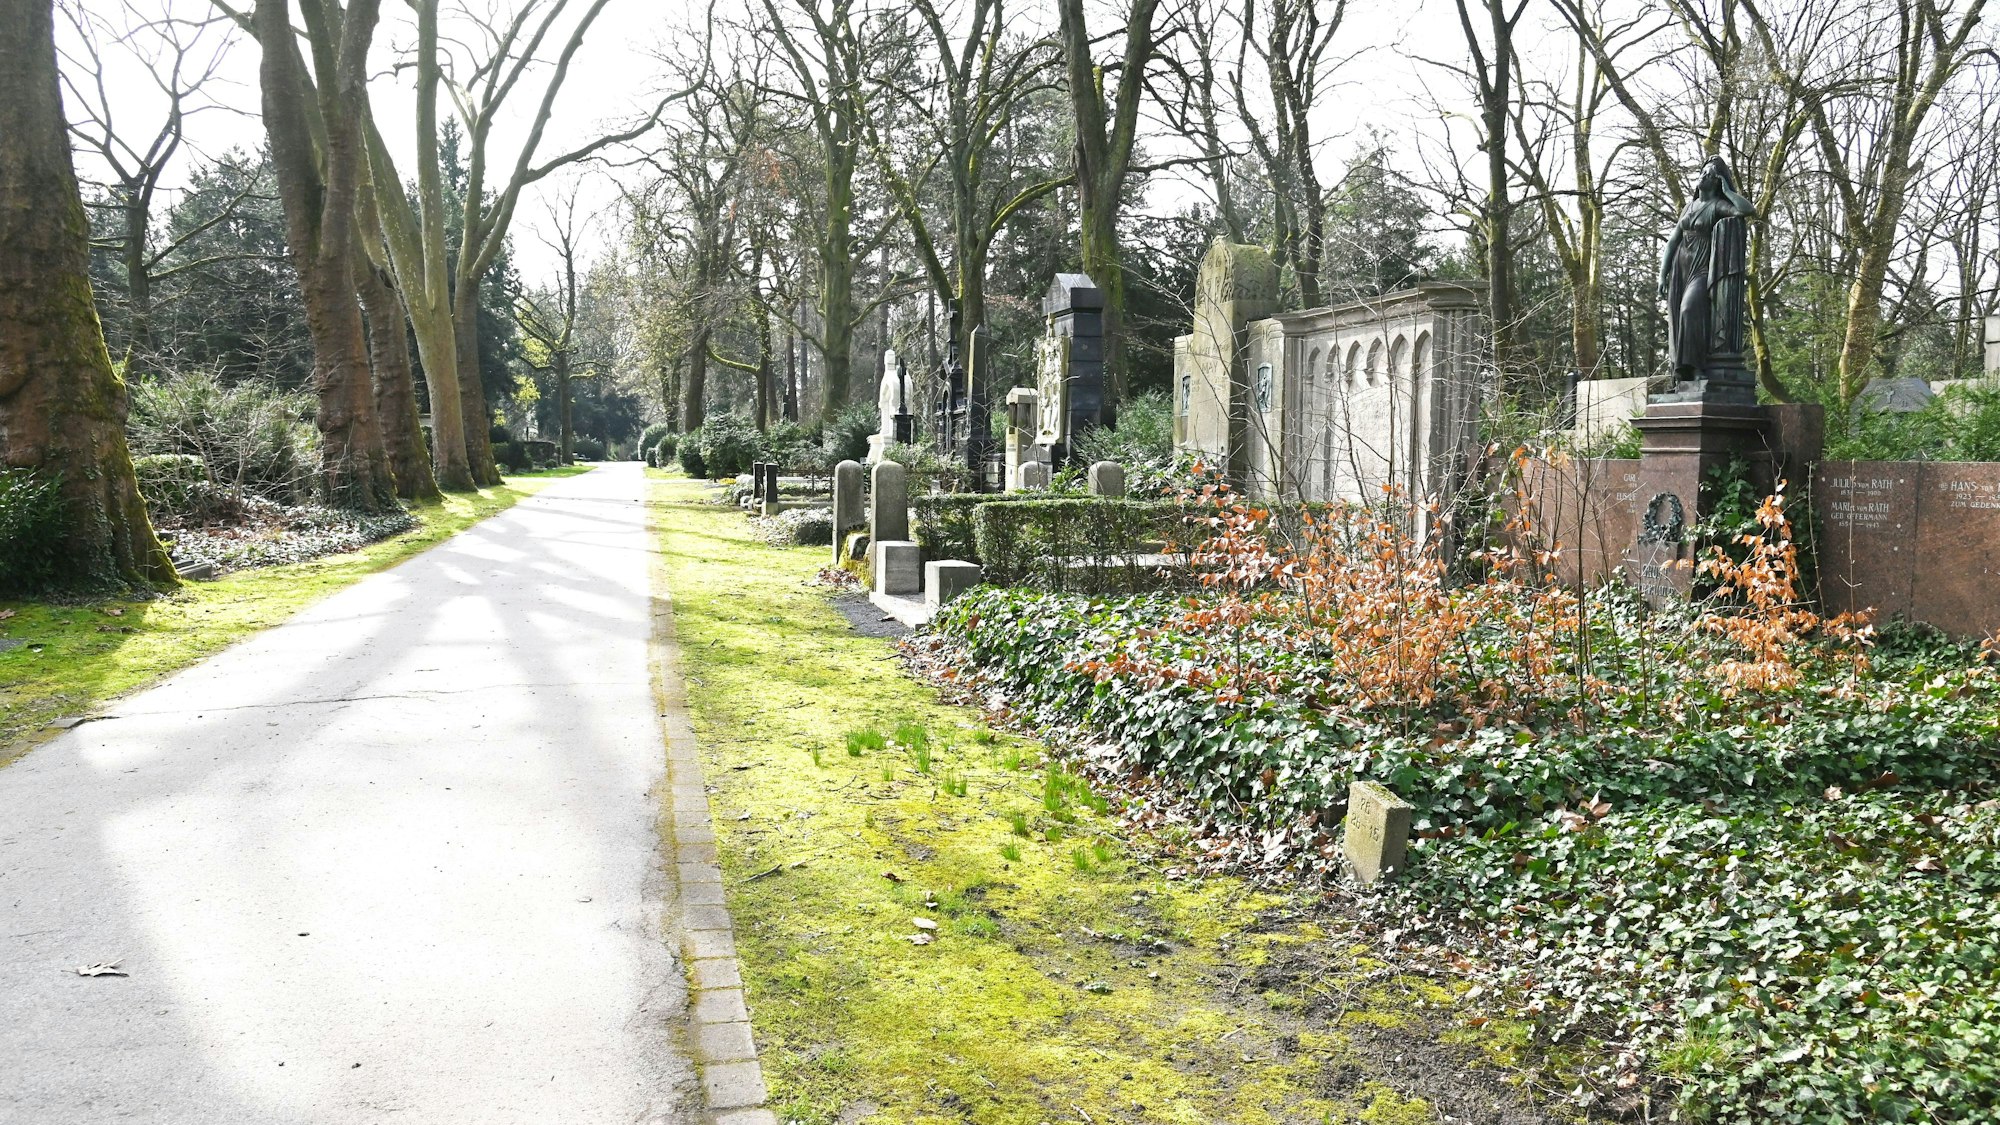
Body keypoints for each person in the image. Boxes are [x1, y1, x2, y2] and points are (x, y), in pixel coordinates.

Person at [1658, 157, 1757, 384]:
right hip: (1680, 270)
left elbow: (1746, 210)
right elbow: (1673, 241)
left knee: (1688, 310)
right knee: (1679, 316)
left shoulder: (1718, 206)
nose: (1703, 176)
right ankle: (1683, 372)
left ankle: (1693, 367)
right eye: (1702, 172)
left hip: (1702, 268)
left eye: (1710, 174)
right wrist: (1662, 274)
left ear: (1717, 182)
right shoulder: (1689, 207)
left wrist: (1728, 191)